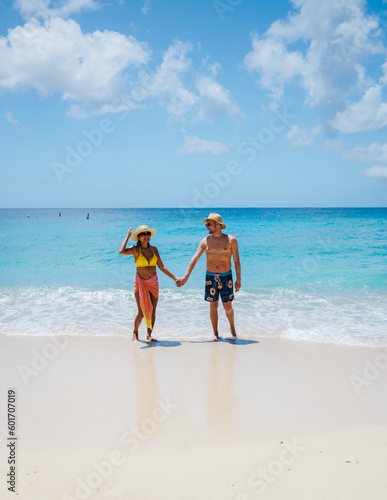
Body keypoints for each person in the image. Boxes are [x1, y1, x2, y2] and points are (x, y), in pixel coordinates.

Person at [176, 213, 241, 340]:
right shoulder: (205, 241)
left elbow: (237, 261)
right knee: (213, 306)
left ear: (217, 224)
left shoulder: (231, 240)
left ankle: (232, 328)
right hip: (210, 277)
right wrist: (186, 276)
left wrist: (238, 280)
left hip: (226, 276)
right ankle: (215, 333)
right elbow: (195, 258)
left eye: (208, 224)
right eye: (206, 224)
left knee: (227, 306)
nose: (206, 227)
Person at [119, 225, 177, 341]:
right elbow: (121, 251)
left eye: (148, 234)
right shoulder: (135, 250)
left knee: (153, 310)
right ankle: (135, 332)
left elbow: (161, 266)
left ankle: (149, 334)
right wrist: (127, 236)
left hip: (153, 282)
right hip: (140, 282)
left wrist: (175, 278)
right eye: (143, 234)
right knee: (141, 312)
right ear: (138, 237)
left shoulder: (154, 249)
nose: (146, 236)